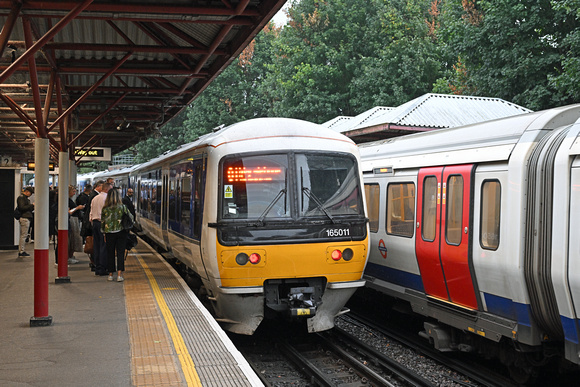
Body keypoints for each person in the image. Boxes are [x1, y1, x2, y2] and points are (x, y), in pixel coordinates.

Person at [101, 188, 133, 282]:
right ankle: (119, 274)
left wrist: (104, 233)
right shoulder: (122, 207)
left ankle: (110, 274)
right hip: (121, 232)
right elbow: (131, 217)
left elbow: (103, 222)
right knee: (120, 253)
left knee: (110, 253)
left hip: (109, 233)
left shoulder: (105, 209)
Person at [90, 181, 111, 276]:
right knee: (104, 246)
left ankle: (97, 267)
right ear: (106, 189)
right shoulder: (106, 199)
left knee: (97, 246)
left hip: (95, 223)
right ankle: (103, 268)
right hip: (103, 223)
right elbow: (107, 214)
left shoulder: (95, 198)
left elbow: (91, 212)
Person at [68, 185, 85, 264]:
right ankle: (69, 256)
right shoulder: (67, 200)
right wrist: (77, 208)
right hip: (72, 220)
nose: (74, 193)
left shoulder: (69, 200)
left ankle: (70, 256)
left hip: (73, 219)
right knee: (72, 238)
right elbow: (69, 212)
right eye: (73, 191)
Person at [17, 187, 34, 257]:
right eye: (30, 193)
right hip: (24, 218)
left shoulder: (25, 199)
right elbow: (22, 208)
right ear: (27, 191)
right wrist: (31, 205)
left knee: (24, 235)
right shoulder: (21, 198)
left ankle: (21, 250)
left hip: (26, 218)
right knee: (23, 235)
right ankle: (21, 251)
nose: (30, 194)